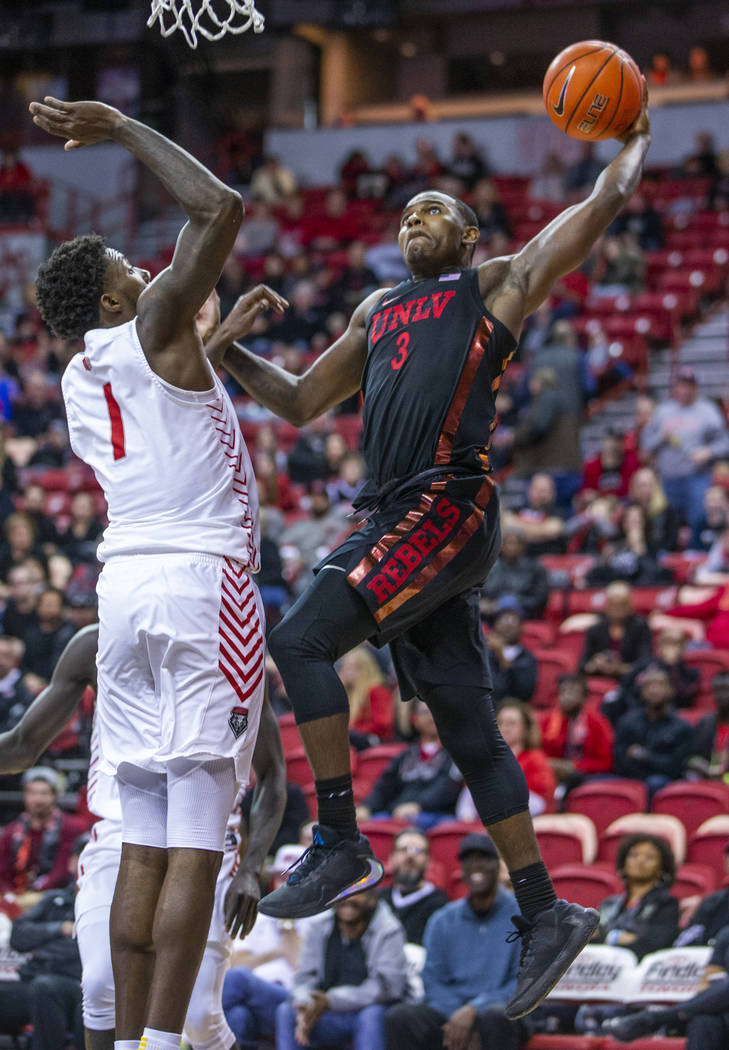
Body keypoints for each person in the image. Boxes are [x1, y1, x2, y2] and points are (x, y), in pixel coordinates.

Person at [208, 91, 653, 1020]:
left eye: (433, 211)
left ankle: (339, 838)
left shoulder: (496, 284)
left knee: (297, 641)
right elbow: (295, 402)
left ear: (468, 232)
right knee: (466, 730)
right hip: (400, 517)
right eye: (405, 212)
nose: (414, 219)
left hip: (445, 502)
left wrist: (632, 143)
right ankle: (545, 911)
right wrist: (227, 352)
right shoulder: (377, 308)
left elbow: (599, 207)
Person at [30, 94, 284, 1050]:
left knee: (139, 839)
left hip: (123, 593)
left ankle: (136, 1036)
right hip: (202, 583)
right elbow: (220, 208)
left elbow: (173, 400)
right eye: (129, 269)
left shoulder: (81, 371)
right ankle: (171, 1042)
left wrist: (216, 347)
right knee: (198, 839)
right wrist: (124, 129)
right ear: (108, 299)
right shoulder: (153, 326)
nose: (147, 272)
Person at [0, 623, 287, 1050]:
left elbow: (273, 774)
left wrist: (251, 868)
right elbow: (22, 746)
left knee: (200, 1018)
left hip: (206, 841)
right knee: (99, 985)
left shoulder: (232, 646)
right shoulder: (94, 642)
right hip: (118, 833)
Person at [385, 833, 529, 1050]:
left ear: (498, 866)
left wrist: (473, 1010)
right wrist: (457, 1016)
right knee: (400, 1017)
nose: (476, 865)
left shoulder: (521, 917)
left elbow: (522, 984)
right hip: (451, 1009)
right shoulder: (442, 920)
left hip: (503, 1010)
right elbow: (432, 979)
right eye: (469, 859)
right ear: (461, 869)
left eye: (485, 858)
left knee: (494, 1017)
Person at [273, 888, 407, 1050]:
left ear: (372, 898)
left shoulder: (389, 929)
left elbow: (387, 988)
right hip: (326, 1013)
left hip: (363, 1012)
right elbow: (304, 978)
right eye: (343, 891)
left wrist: (331, 1000)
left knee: (372, 1015)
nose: (349, 899)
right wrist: (305, 1005)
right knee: (287, 1011)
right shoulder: (319, 924)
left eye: (358, 892)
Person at [0, 834, 86, 1050]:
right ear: (71, 862)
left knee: (47, 989)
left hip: (75, 984)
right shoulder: (52, 899)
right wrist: (59, 928)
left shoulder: (109, 906)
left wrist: (47, 943)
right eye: (82, 857)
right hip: (33, 979)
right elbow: (18, 937)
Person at [604, 925, 729, 1048]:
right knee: (704, 1020)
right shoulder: (726, 934)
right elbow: (707, 982)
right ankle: (659, 1018)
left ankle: (656, 1018)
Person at [641, 367, 729, 533]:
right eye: (681, 385)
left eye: (688, 385)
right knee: (666, 525)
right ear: (674, 387)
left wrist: (708, 451)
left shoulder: (708, 411)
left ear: (695, 387)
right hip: (667, 479)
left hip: (697, 478)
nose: (684, 389)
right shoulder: (663, 411)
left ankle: (696, 553)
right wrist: (661, 436)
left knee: (699, 519)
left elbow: (725, 442)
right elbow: (646, 443)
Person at [356, 700, 462, 829]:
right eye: (425, 712)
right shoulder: (405, 755)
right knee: (367, 825)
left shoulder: (455, 754)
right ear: (414, 719)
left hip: (436, 815)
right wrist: (367, 807)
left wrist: (418, 805)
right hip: (398, 812)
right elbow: (384, 786)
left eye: (436, 711)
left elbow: (448, 787)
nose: (431, 717)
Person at [0, 765, 85, 903]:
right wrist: (10, 895)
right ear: (25, 795)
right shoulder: (11, 831)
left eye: (44, 793)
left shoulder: (72, 827)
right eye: (32, 793)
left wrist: (35, 894)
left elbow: (63, 870)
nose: (38, 800)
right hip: (16, 898)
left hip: (57, 897)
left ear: (54, 795)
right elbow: (2, 872)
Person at [613, 664, 694, 797]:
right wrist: (653, 760)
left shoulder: (682, 727)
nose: (654, 690)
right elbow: (619, 761)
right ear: (641, 691)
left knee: (654, 783)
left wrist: (644, 756)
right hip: (631, 777)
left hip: (663, 781)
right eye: (648, 685)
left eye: (660, 685)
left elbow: (675, 767)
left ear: (670, 690)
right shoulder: (627, 722)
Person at [595, 833, 679, 958]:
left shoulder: (666, 904)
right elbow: (591, 937)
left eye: (650, 857)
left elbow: (653, 943)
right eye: (633, 855)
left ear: (662, 869)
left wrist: (607, 937)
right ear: (624, 863)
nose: (640, 861)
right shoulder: (609, 904)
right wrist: (616, 937)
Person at [541, 673, 614, 797]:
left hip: (586, 774)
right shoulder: (547, 721)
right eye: (563, 692)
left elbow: (605, 762)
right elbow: (536, 752)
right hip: (552, 772)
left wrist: (573, 766)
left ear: (584, 697)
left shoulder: (597, 723)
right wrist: (550, 764)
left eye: (573, 692)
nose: (567, 696)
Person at [378, 828, 448, 946]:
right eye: (403, 850)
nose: (410, 856)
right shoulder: (378, 900)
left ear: (429, 860)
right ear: (391, 858)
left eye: (418, 850)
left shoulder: (441, 905)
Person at [579, 581, 653, 680]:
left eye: (622, 604)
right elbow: (583, 665)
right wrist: (595, 664)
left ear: (629, 606)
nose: (617, 609)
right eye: (613, 604)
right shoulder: (595, 629)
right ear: (606, 606)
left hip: (630, 679)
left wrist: (621, 668)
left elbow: (646, 660)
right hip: (600, 676)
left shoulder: (640, 627)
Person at [479, 527, 550, 621]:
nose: (512, 547)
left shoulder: (536, 569)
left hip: (523, 614)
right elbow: (480, 593)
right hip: (491, 615)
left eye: (515, 543)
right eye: (508, 543)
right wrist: (482, 603)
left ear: (523, 546)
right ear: (502, 545)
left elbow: (540, 599)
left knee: (508, 620)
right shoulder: (490, 568)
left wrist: (511, 603)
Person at [337, 645, 394, 748]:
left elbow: (383, 724)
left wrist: (354, 730)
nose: (347, 672)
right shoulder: (345, 692)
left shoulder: (375, 690)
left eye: (353, 667)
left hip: (375, 740)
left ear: (365, 668)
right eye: (345, 667)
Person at [485, 599, 538, 703]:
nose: (507, 625)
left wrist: (501, 655)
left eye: (513, 620)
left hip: (512, 709)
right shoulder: (486, 654)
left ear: (521, 627)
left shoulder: (527, 659)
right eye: (503, 620)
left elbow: (523, 693)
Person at [687, 671, 729, 782]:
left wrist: (723, 769)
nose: (721, 696)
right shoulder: (705, 723)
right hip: (707, 777)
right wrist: (699, 765)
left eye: (726, 690)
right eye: (717, 691)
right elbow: (691, 756)